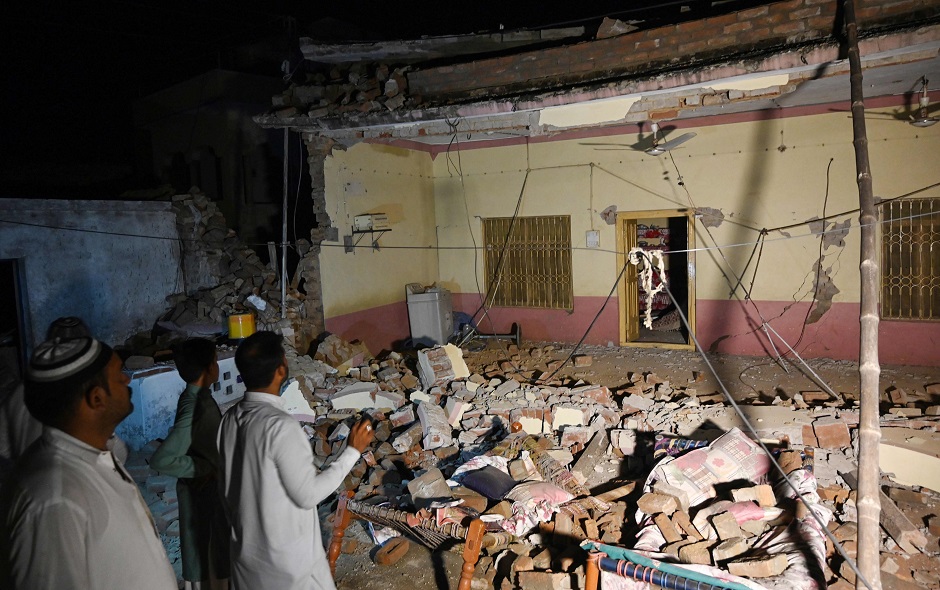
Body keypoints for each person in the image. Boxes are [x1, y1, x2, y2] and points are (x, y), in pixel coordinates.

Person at [0, 335, 177, 589]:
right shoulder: (56, 499)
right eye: (119, 375)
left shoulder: (96, 456)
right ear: (96, 398)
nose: (127, 379)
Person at [218, 331, 374, 590]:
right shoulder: (279, 427)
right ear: (281, 370)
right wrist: (351, 452)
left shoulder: (229, 419)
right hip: (286, 569)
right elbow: (307, 495)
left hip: (245, 558)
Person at [0, 317, 127, 488]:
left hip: (29, 488)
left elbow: (4, 448)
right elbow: (117, 456)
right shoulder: (85, 393)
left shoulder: (20, 390)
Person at [151, 338, 230, 589]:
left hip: (207, 495)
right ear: (209, 368)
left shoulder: (196, 397)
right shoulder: (196, 405)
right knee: (207, 564)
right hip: (202, 497)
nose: (217, 366)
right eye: (216, 361)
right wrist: (202, 467)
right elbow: (163, 459)